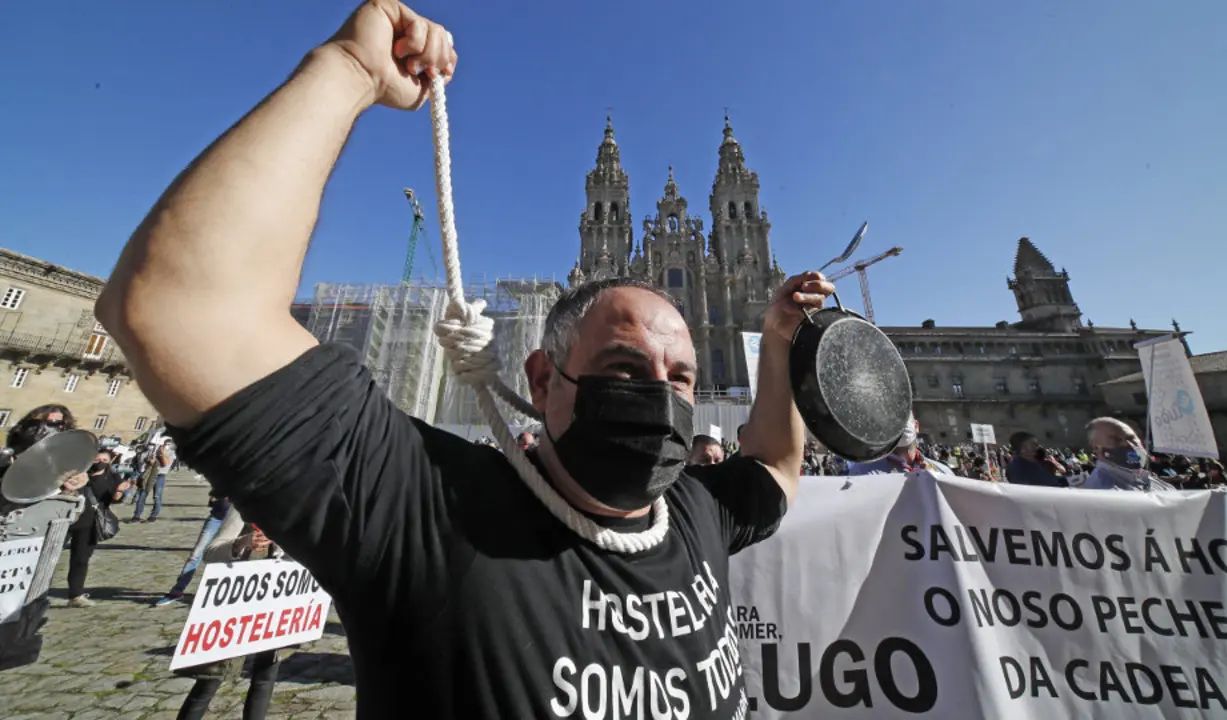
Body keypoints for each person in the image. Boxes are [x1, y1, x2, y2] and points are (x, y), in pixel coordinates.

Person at [94, 2, 830, 716]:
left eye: (680, 377)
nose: (660, 397)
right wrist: (348, 67)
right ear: (540, 380)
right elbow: (183, 308)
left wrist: (776, 339)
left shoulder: (695, 514)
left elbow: (774, 461)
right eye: (623, 369)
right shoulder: (435, 515)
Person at [174, 506, 283, 719]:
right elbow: (210, 552)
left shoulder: (299, 507)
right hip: (237, 605)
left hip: (275, 604)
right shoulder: (243, 504)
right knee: (211, 679)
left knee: (265, 676)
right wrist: (242, 543)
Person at [64, 450, 128, 608]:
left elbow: (114, 499)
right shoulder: (78, 473)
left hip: (89, 523)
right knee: (48, 555)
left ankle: (75, 595)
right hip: (65, 519)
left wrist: (120, 490)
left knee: (80, 559)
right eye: (97, 459)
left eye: (104, 460)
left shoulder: (113, 477)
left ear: (110, 462)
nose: (100, 462)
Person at [154, 495, 233, 606]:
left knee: (228, 558)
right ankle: (177, 591)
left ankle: (222, 594)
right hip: (216, 519)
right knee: (195, 555)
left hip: (233, 524)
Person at [1079, 417, 1175, 491]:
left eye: (1132, 438)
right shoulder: (1102, 490)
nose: (1128, 444)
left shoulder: (1148, 480)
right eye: (1117, 439)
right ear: (1096, 448)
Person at [846, 412, 954, 476]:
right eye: (892, 422)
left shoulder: (942, 472)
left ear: (916, 426)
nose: (900, 425)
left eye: (904, 417)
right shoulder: (863, 473)